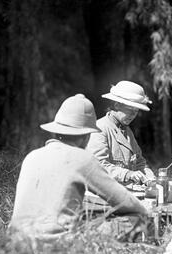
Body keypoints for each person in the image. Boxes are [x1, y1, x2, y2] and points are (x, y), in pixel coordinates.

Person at [8, 94, 150, 242]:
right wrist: (144, 211)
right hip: (56, 242)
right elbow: (124, 201)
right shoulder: (82, 159)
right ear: (87, 136)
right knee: (138, 219)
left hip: (17, 240)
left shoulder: (32, 156)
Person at [87, 80, 156, 186]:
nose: (133, 115)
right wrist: (127, 174)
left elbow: (139, 162)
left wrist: (148, 174)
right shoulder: (100, 129)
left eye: (136, 111)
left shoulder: (127, 131)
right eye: (130, 109)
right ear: (116, 105)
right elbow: (97, 166)